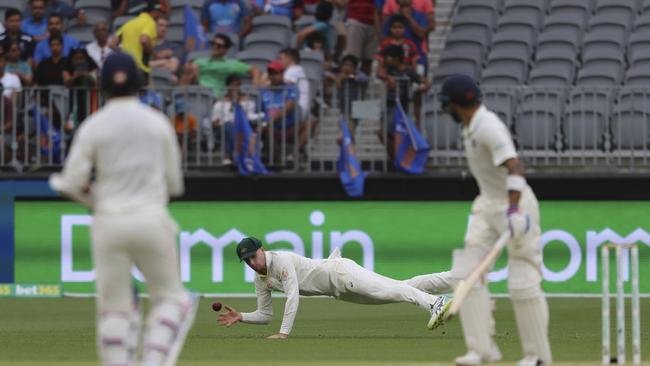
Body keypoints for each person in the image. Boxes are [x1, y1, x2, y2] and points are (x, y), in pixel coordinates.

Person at [48, 51, 198, 366]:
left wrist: (99, 200)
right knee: (172, 299)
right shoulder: (157, 123)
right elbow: (174, 186)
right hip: (151, 218)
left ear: (102, 85)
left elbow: (72, 182)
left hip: (108, 224)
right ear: (139, 84)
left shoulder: (94, 125)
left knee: (114, 308)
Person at [438, 74, 552, 366]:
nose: (446, 110)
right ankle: (481, 350)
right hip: (487, 204)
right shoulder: (470, 127)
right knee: (467, 271)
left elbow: (515, 168)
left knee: (522, 277)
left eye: (447, 104)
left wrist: (514, 212)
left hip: (515, 205)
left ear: (456, 104)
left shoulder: (488, 127)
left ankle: (537, 356)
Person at [217, 237, 452, 338]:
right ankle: (455, 278)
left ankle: (436, 304)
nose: (251, 263)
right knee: (403, 287)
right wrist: (242, 317)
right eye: (247, 260)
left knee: (396, 291)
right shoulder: (260, 280)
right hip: (340, 291)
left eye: (253, 256)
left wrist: (283, 332)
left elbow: (293, 297)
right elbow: (266, 315)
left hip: (341, 273)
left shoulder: (281, 261)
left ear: (262, 249)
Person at [180, 33, 261, 97]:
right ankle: (179, 97)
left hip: (213, 96)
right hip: (197, 91)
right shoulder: (200, 61)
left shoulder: (230, 64)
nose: (215, 47)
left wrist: (253, 88)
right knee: (190, 67)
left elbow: (255, 70)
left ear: (226, 50)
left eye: (219, 46)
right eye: (213, 44)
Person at [211, 73, 261, 165]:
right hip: (223, 130)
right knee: (228, 126)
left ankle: (229, 155)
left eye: (238, 85)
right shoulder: (219, 103)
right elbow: (214, 123)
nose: (236, 88)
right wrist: (221, 123)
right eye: (233, 85)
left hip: (242, 129)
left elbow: (251, 118)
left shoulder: (248, 101)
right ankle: (231, 155)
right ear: (228, 86)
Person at [113, 0, 161, 75]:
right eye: (159, 12)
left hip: (125, 68)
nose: (159, 15)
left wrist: (124, 52)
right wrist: (155, 54)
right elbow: (144, 40)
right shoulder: (150, 23)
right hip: (140, 69)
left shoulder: (129, 23)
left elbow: (112, 44)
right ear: (155, 12)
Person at [344, 0, 380, 76]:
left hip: (375, 24)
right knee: (352, 58)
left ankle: (363, 84)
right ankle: (350, 84)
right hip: (356, 20)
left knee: (368, 59)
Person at [278, 48, 310, 124]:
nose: (279, 62)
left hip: (297, 110)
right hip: (297, 109)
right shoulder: (295, 70)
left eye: (281, 58)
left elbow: (281, 82)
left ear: (289, 58)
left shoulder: (293, 70)